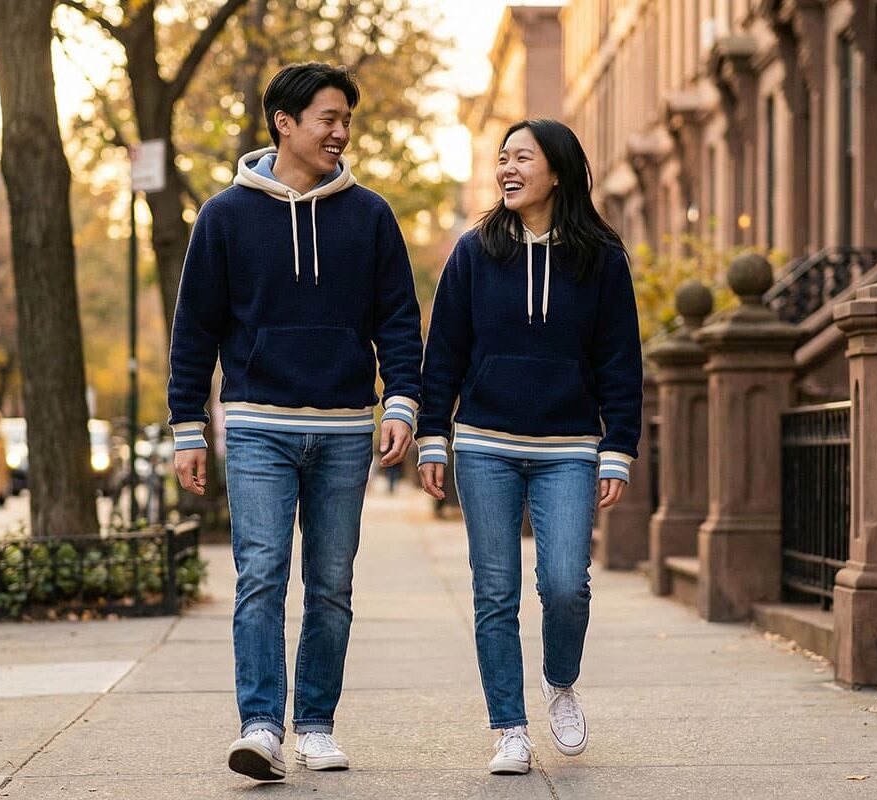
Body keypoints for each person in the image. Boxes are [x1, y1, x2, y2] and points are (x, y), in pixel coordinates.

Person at [168, 62, 422, 782]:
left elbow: (399, 320)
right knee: (260, 577)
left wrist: (401, 400)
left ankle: (314, 724)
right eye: (329, 119)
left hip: (345, 429)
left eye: (346, 120)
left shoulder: (370, 215)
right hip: (255, 426)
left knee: (332, 583)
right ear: (285, 122)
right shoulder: (224, 215)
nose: (341, 132)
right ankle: (259, 726)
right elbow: (195, 330)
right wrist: (189, 425)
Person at [416, 119, 642, 775]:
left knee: (566, 583)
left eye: (523, 158)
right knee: (494, 592)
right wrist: (434, 435)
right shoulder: (474, 252)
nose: (507, 169)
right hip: (484, 443)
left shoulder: (600, 258)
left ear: (559, 172)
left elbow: (620, 361)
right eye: (502, 158)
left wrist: (618, 446)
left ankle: (559, 679)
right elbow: (446, 355)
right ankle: (509, 729)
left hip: (569, 446)